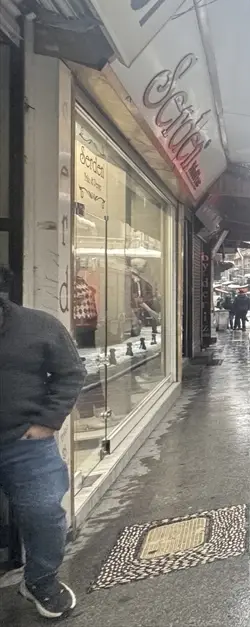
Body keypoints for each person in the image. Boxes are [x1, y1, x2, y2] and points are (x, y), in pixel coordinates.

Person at [0, 264, 85, 619]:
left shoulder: (38, 325)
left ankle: (41, 580)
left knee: (45, 516)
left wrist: (47, 423)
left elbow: (71, 371)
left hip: (26, 444)